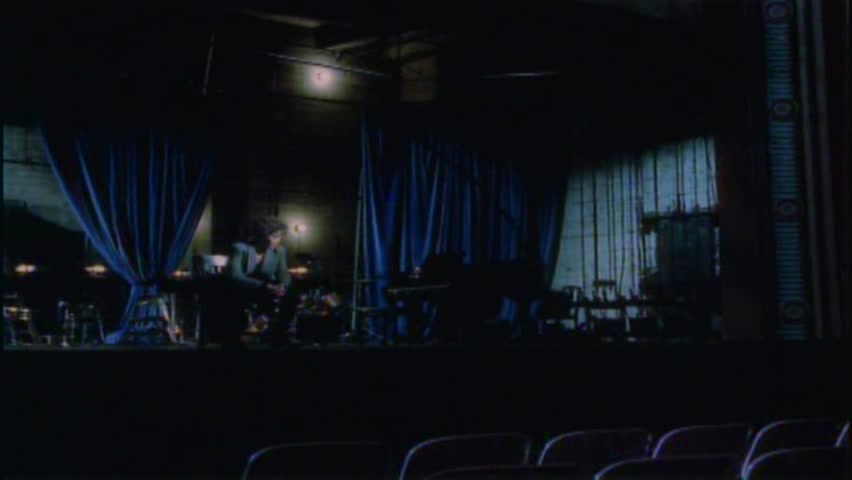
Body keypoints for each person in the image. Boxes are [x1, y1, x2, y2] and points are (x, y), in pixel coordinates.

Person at [221, 216, 295, 348]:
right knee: (233, 297)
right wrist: (264, 286)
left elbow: (283, 273)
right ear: (260, 236)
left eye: (277, 236)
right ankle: (235, 339)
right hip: (242, 288)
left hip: (267, 290)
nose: (274, 240)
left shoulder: (280, 251)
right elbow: (234, 276)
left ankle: (279, 336)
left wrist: (282, 286)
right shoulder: (239, 248)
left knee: (290, 295)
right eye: (271, 236)